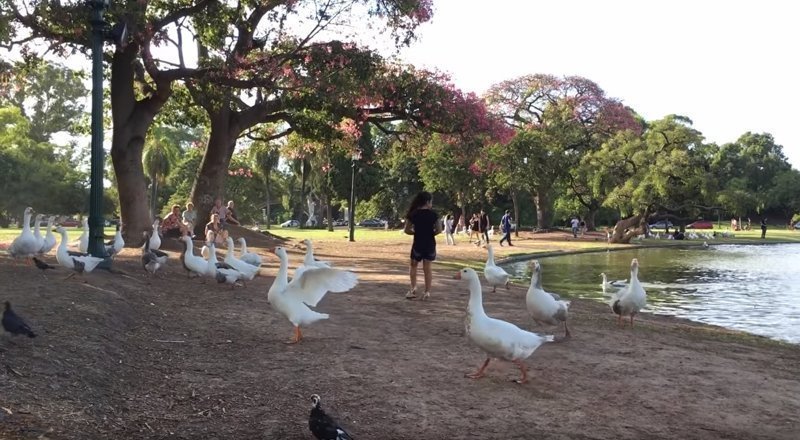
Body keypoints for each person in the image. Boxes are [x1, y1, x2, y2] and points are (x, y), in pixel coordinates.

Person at [403, 191, 441, 300]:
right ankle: (427, 292)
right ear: (428, 202)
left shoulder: (413, 214)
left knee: (413, 265)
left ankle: (413, 288)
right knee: (427, 268)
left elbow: (407, 230)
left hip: (418, 243)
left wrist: (416, 233)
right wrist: (430, 233)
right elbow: (439, 230)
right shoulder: (434, 215)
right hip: (430, 243)